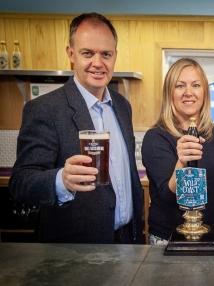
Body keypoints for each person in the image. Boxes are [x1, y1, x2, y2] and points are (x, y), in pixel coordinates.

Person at [9, 13, 143, 244]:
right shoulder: (44, 109)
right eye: (88, 53)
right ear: (71, 54)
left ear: (115, 56)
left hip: (127, 241)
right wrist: (62, 180)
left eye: (106, 54)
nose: (98, 63)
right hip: (75, 247)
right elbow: (21, 182)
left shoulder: (122, 106)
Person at [142, 58, 214, 245]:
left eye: (196, 85)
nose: (188, 93)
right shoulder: (156, 137)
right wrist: (181, 162)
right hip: (172, 237)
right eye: (180, 86)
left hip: (213, 234)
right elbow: (167, 196)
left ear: (205, 92)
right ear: (170, 93)